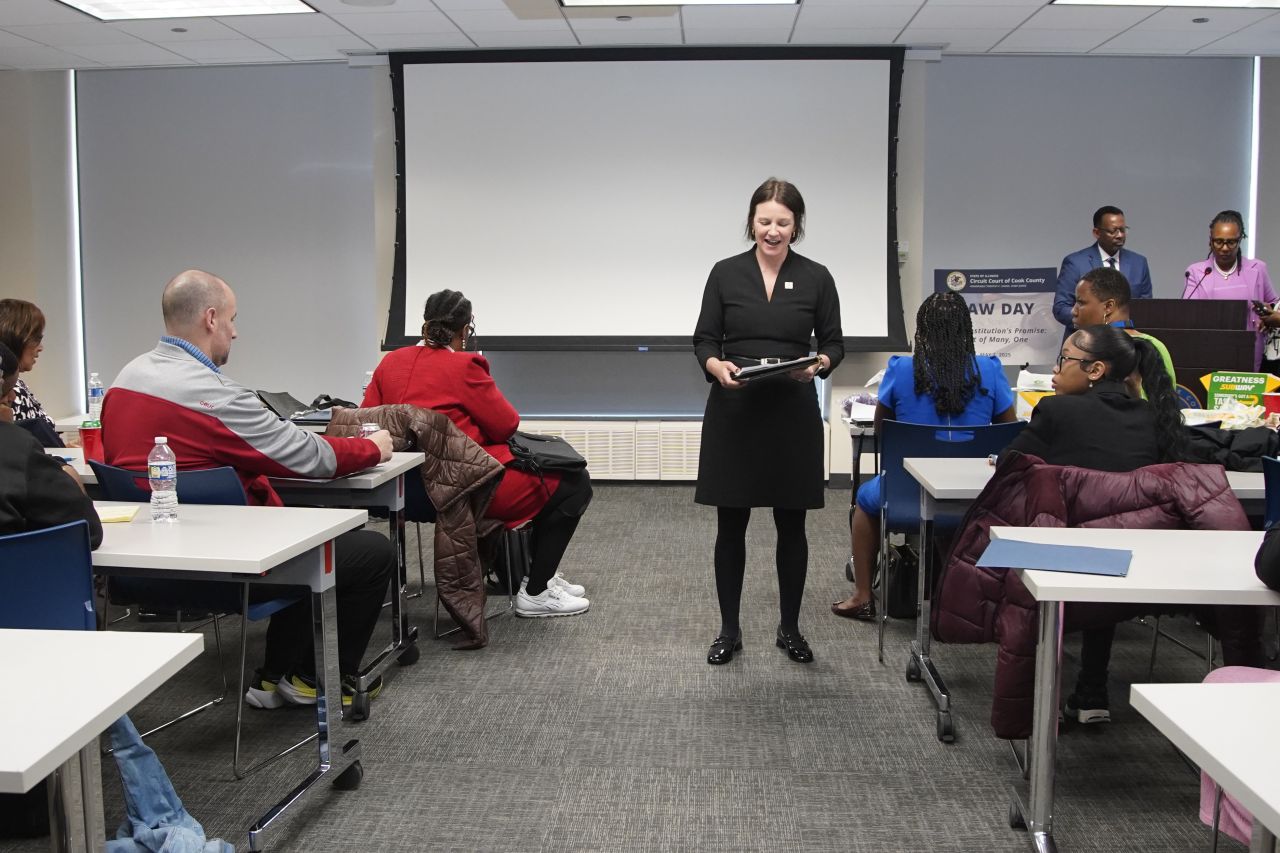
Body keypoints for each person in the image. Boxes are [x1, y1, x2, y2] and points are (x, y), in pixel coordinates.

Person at [101, 269, 396, 709]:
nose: (236, 333)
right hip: (224, 568)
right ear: (211, 318)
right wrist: (370, 448)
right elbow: (308, 457)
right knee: (367, 553)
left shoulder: (124, 380)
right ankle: (310, 679)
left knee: (303, 534)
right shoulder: (214, 395)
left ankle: (272, 676)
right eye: (233, 320)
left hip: (141, 566)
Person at [1002, 324, 1193, 723]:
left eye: (1064, 360)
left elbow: (1010, 467)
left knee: (1019, 543)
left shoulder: (1056, 411)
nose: (1055, 371)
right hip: (1145, 561)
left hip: (1073, 563)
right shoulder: (1154, 415)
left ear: (1095, 370)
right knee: (1102, 540)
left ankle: (1038, 688)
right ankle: (1092, 689)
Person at [362, 289, 593, 618]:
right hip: (461, 491)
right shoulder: (463, 366)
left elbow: (367, 422)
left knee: (551, 475)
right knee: (573, 483)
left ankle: (541, 575)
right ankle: (538, 590)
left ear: (425, 322)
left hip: (403, 493)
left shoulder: (390, 362)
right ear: (465, 330)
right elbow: (505, 425)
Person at [693, 178, 844, 665]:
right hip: (734, 411)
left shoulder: (817, 277)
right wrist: (717, 368)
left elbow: (835, 344)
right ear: (751, 222)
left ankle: (790, 628)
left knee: (791, 526)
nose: (772, 231)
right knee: (730, 526)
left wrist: (817, 365)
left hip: (791, 413)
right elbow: (703, 340)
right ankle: (729, 630)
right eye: (764, 221)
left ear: (796, 226)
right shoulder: (724, 273)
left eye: (782, 222)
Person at [832, 292, 1016, 620]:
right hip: (974, 495)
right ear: (965, 329)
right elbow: (1008, 431)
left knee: (865, 501)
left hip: (908, 494)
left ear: (922, 330)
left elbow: (882, 431)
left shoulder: (902, 369)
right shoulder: (988, 369)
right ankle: (976, 596)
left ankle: (862, 595)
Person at [1182, 209, 1278, 371]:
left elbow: (1274, 304)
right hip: (1209, 349)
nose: (1224, 248)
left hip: (1249, 350)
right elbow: (1188, 312)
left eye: (1231, 242)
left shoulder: (1258, 268)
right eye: (1218, 242)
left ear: (1240, 240)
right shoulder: (1197, 272)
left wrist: (1269, 314)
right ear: (1210, 241)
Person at [1053, 206, 1153, 338]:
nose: (1120, 235)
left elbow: (1145, 308)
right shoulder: (1075, 263)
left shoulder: (1139, 263)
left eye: (1123, 230)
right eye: (1113, 231)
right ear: (1097, 232)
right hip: (1085, 342)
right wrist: (1097, 324)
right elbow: (1061, 308)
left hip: (1127, 344)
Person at [1070, 266, 1176, 389]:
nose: (1073, 311)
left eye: (1081, 302)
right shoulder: (1158, 345)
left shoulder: (1096, 349)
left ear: (1108, 306)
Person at [0, 298, 63, 447]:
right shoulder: (10, 391)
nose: (40, 347)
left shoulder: (17, 385)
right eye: (36, 339)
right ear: (16, 339)